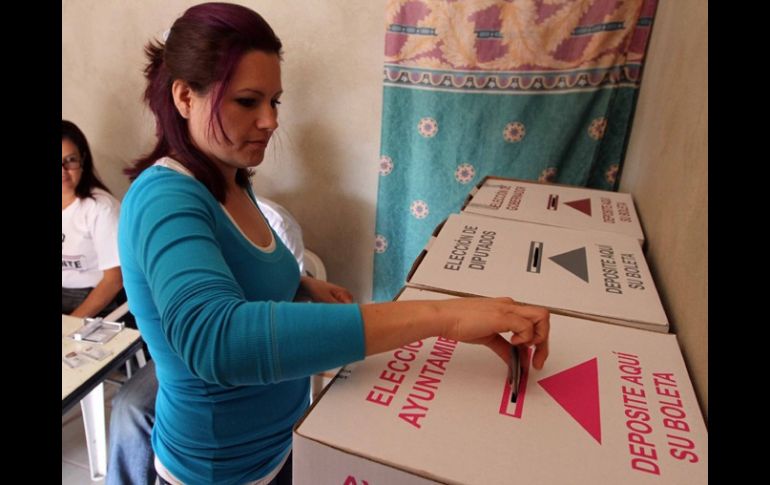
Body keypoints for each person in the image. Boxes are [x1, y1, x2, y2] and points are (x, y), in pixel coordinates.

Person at [117, 3, 550, 484]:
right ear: (184, 97)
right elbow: (218, 341)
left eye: (275, 101)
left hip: (281, 442)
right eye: (248, 101)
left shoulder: (232, 179)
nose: (270, 121)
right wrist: (443, 317)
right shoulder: (164, 199)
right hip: (220, 469)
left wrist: (300, 283)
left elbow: (238, 271)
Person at [106, 196, 308, 485]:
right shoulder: (169, 203)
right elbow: (217, 340)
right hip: (193, 375)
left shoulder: (264, 212)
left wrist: (305, 285)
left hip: (270, 422)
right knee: (131, 406)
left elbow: (280, 286)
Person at [62, 119, 124, 318]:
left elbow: (115, 280)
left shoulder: (101, 208)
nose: (63, 171)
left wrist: (70, 325)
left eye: (70, 160)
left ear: (83, 160)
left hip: (96, 301)